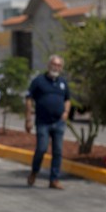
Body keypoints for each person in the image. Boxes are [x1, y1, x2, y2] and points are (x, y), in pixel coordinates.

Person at [25, 54, 71, 190]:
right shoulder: (39, 81)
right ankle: (34, 171)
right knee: (41, 148)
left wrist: (66, 112)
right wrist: (28, 119)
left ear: (61, 68)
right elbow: (29, 99)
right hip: (43, 122)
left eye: (59, 65)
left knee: (57, 151)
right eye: (54, 64)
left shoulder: (63, 83)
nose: (56, 67)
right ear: (48, 65)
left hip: (59, 123)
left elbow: (67, 99)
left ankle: (54, 180)